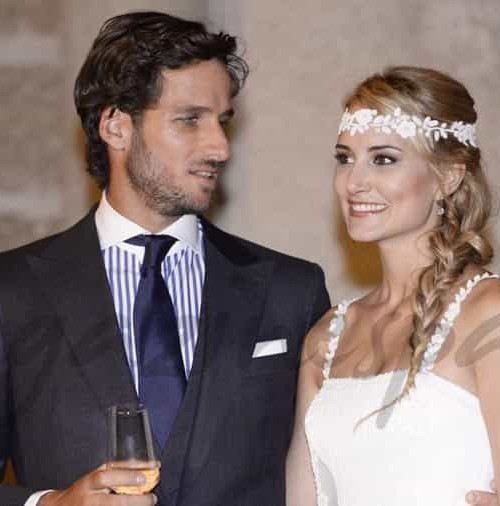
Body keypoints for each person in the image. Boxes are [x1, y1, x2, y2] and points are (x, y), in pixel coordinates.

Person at [0, 11, 330, 506]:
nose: (219, 147)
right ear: (115, 126)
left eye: (223, 122)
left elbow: (338, 467)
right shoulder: (13, 289)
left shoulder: (291, 290)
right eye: (189, 119)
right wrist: (51, 503)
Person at [286, 66, 500, 505]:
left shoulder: (487, 313)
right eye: (345, 158)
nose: (354, 182)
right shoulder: (326, 339)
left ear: (449, 177)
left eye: (383, 159)